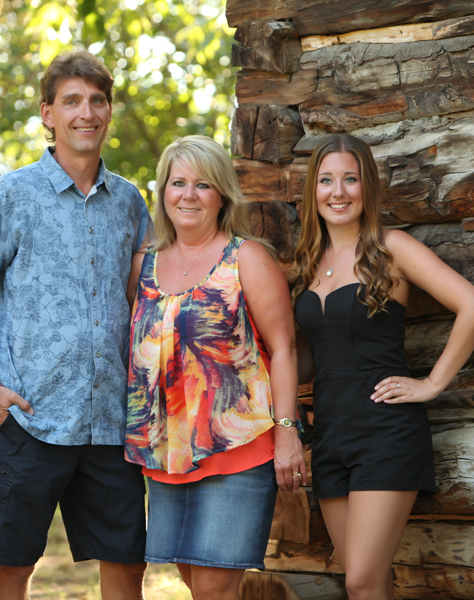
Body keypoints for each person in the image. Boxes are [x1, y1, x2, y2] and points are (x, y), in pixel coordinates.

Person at [0, 49, 151, 600]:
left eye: (96, 101)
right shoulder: (14, 194)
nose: (85, 112)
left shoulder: (131, 202)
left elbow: (141, 298)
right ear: (48, 113)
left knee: (125, 564)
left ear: (109, 111)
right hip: (31, 415)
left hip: (111, 421)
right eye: (71, 101)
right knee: (13, 565)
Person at [290, 134, 474, 600]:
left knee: (361, 580)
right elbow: (309, 360)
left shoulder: (391, 248)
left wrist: (432, 383)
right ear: (312, 190)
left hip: (386, 430)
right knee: (369, 584)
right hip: (330, 437)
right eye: (325, 180)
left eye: (350, 179)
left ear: (368, 188)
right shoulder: (307, 264)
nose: (337, 192)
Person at [124, 135, 306, 600]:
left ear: (221, 193)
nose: (188, 195)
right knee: (193, 581)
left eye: (202, 184)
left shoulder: (246, 257)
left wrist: (287, 431)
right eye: (177, 183)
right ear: (163, 191)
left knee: (211, 586)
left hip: (238, 447)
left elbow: (283, 349)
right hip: (167, 454)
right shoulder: (143, 266)